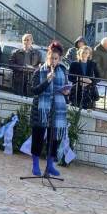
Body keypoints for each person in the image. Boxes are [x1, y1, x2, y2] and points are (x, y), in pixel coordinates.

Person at [29, 41, 70, 177]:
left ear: (59, 59)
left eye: (55, 59)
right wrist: (47, 81)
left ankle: (50, 165)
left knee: (54, 139)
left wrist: (66, 93)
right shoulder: (38, 71)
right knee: (38, 137)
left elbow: (65, 87)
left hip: (57, 110)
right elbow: (34, 90)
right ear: (47, 56)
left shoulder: (63, 70)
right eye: (51, 58)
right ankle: (35, 165)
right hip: (41, 110)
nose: (53, 61)